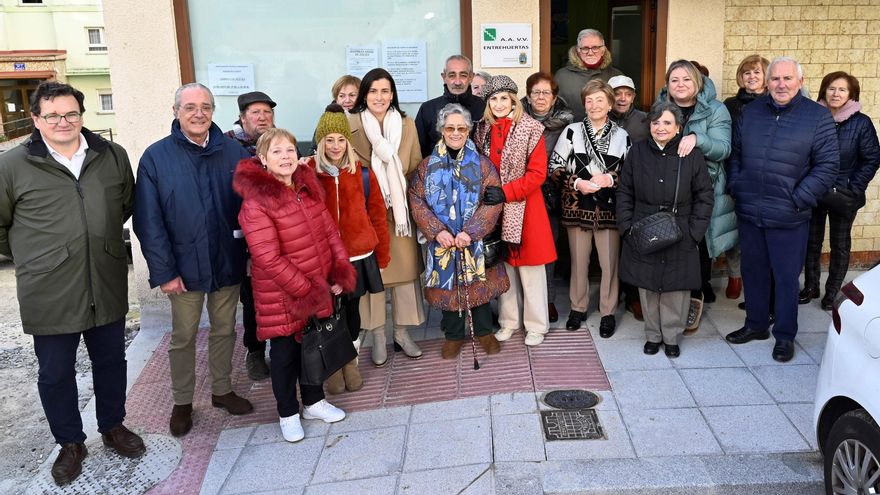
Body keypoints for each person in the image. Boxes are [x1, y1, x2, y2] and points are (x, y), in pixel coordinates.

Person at [0, 81, 144, 486]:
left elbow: (125, 205)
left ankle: (113, 426)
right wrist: (36, 258)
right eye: (53, 115)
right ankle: (69, 443)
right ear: (36, 119)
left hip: (106, 277)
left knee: (112, 361)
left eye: (71, 114)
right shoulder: (11, 166)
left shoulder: (111, 155)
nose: (63, 122)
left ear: (82, 115)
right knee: (56, 371)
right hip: (49, 289)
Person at [134, 83, 254, 438]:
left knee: (224, 329)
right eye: (190, 107)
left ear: (213, 111)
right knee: (183, 336)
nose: (198, 113)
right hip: (182, 269)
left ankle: (222, 390)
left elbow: (251, 210)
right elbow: (148, 221)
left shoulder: (234, 154)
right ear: (176, 112)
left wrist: (249, 255)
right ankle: (182, 402)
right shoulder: (156, 158)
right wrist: (165, 272)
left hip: (227, 260)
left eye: (205, 107)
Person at [234, 128, 354, 442]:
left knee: (312, 348)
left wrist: (339, 270)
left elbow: (330, 233)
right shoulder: (256, 203)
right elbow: (267, 258)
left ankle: (313, 401)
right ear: (262, 159)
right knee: (286, 355)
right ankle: (287, 412)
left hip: (316, 287)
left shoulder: (306, 187)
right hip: (283, 294)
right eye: (276, 152)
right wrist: (307, 290)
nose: (285, 157)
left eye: (289, 150)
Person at [725, 57, 839, 362]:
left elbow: (828, 166)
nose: (781, 84)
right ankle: (756, 325)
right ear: (767, 82)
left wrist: (798, 197)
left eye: (788, 78)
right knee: (754, 271)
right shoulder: (751, 112)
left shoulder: (817, 117)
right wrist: (737, 185)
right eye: (775, 79)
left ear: (800, 82)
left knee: (787, 278)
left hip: (789, 215)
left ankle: (785, 335)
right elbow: (735, 155)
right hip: (750, 210)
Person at [409, 103, 510, 358]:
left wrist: (472, 232)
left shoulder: (483, 165)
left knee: (478, 285)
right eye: (450, 128)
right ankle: (453, 335)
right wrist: (437, 231)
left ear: (468, 131)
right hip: (443, 240)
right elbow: (416, 201)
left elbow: (492, 201)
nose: (456, 133)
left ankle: (484, 332)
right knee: (448, 286)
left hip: (471, 240)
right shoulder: (427, 166)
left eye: (461, 128)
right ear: (441, 130)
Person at [617, 102, 714, 358]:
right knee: (647, 284)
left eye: (667, 123)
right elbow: (625, 191)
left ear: (678, 127)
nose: (661, 128)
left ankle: (671, 335)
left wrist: (695, 231)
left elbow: (704, 195)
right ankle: (653, 334)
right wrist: (627, 227)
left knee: (676, 285)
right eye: (656, 122)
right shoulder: (637, 152)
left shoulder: (691, 154)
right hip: (643, 224)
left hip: (681, 225)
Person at [309, 103, 390, 393]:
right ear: (320, 142)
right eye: (328, 139)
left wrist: (382, 255)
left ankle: (350, 362)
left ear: (348, 142)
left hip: (359, 255)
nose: (335, 145)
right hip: (325, 259)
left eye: (340, 139)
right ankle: (333, 365)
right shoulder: (307, 173)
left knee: (352, 310)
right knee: (328, 312)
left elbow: (378, 214)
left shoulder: (363, 173)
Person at [347, 68, 426, 366]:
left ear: (392, 94)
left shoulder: (406, 124)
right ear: (363, 95)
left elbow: (416, 164)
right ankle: (378, 336)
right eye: (373, 91)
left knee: (405, 276)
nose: (379, 97)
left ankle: (402, 333)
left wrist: (407, 201)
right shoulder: (350, 124)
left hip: (400, 212)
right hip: (366, 213)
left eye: (385, 91)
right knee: (373, 276)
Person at [474, 75, 557, 346]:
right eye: (493, 99)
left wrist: (507, 192)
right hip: (495, 209)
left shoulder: (531, 128)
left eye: (504, 98)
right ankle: (509, 321)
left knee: (531, 269)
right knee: (504, 267)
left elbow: (537, 174)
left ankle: (536, 325)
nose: (499, 104)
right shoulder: (482, 130)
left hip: (526, 208)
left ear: (513, 99)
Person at [550, 79, 630, 337]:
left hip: (609, 208)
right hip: (577, 205)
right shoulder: (572, 131)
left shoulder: (621, 135)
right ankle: (577, 307)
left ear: (609, 104)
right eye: (589, 100)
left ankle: (607, 312)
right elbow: (555, 168)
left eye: (599, 100)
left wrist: (611, 179)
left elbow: (629, 173)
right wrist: (577, 182)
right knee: (578, 261)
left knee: (609, 264)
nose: (594, 105)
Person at [659, 60, 734, 329]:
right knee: (671, 241)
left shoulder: (716, 110)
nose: (680, 85)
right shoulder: (661, 108)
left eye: (686, 80)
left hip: (703, 187)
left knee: (698, 244)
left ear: (698, 82)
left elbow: (724, 149)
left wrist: (698, 140)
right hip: (668, 186)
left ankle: (695, 297)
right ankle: (672, 295)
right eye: (674, 80)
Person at [801, 71, 880, 310]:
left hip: (844, 195)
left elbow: (872, 158)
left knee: (840, 243)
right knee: (811, 242)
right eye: (831, 88)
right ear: (824, 90)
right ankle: (811, 286)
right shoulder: (813, 117)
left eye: (842, 89)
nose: (836, 94)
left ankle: (832, 291)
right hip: (814, 190)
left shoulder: (861, 122)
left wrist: (854, 188)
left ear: (851, 94)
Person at [225, 90, 277, 381]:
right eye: (256, 112)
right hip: (244, 233)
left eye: (267, 112)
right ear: (243, 117)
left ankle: (285, 347)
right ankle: (255, 351)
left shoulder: (278, 141)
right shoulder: (228, 144)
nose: (262, 117)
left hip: (279, 232)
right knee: (253, 297)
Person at [521, 71, 574, 323]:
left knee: (548, 246)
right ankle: (523, 301)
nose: (541, 97)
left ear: (554, 98)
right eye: (536, 92)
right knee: (520, 248)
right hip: (521, 191)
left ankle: (548, 299)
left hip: (549, 194)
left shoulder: (566, 126)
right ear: (528, 96)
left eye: (546, 93)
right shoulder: (515, 120)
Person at [724, 55, 769, 302]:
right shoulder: (730, 104)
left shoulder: (775, 102)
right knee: (736, 230)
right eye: (747, 73)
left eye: (757, 73)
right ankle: (734, 277)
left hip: (766, 176)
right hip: (737, 171)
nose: (751, 77)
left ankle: (758, 280)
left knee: (760, 232)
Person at [608, 74, 649, 322]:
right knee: (609, 247)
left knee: (633, 243)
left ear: (634, 96)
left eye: (628, 93)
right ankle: (612, 295)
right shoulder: (599, 119)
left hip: (636, 191)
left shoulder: (645, 121)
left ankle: (634, 296)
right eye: (617, 93)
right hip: (604, 192)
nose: (622, 98)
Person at [415, 55, 486, 158]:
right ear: (444, 77)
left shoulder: (484, 108)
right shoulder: (427, 109)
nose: (457, 82)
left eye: (463, 75)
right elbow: (419, 152)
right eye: (452, 75)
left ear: (471, 77)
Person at [554, 28, 623, 123]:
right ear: (578, 50)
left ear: (603, 50)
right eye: (585, 48)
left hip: (608, 133)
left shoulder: (616, 76)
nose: (590, 53)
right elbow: (554, 110)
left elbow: (624, 109)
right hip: (571, 133)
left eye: (595, 48)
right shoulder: (561, 76)